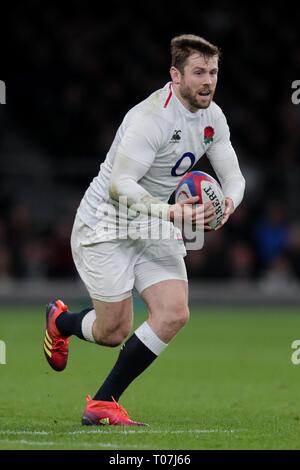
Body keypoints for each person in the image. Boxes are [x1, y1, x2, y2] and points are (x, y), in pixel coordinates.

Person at [43, 34, 245, 426]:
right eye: (199, 72)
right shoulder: (149, 118)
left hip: (154, 220)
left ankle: (103, 403)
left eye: (214, 72)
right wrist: (172, 214)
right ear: (176, 75)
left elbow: (233, 177)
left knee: (173, 313)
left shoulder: (212, 117)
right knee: (112, 330)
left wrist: (226, 207)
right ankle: (60, 321)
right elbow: (121, 185)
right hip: (107, 222)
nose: (208, 81)